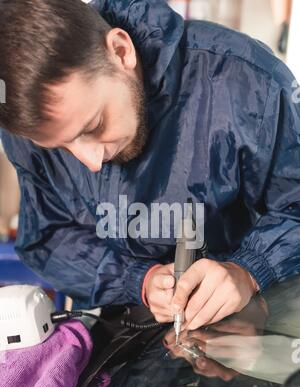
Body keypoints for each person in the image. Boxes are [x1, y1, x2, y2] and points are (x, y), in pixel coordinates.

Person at [0, 0, 300, 331]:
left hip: (258, 328)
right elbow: (49, 235)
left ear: (121, 50)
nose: (92, 162)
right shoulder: (28, 122)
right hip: (122, 335)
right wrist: (138, 280)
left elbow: (295, 206)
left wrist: (249, 270)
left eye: (94, 126)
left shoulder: (247, 80)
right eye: (61, 148)